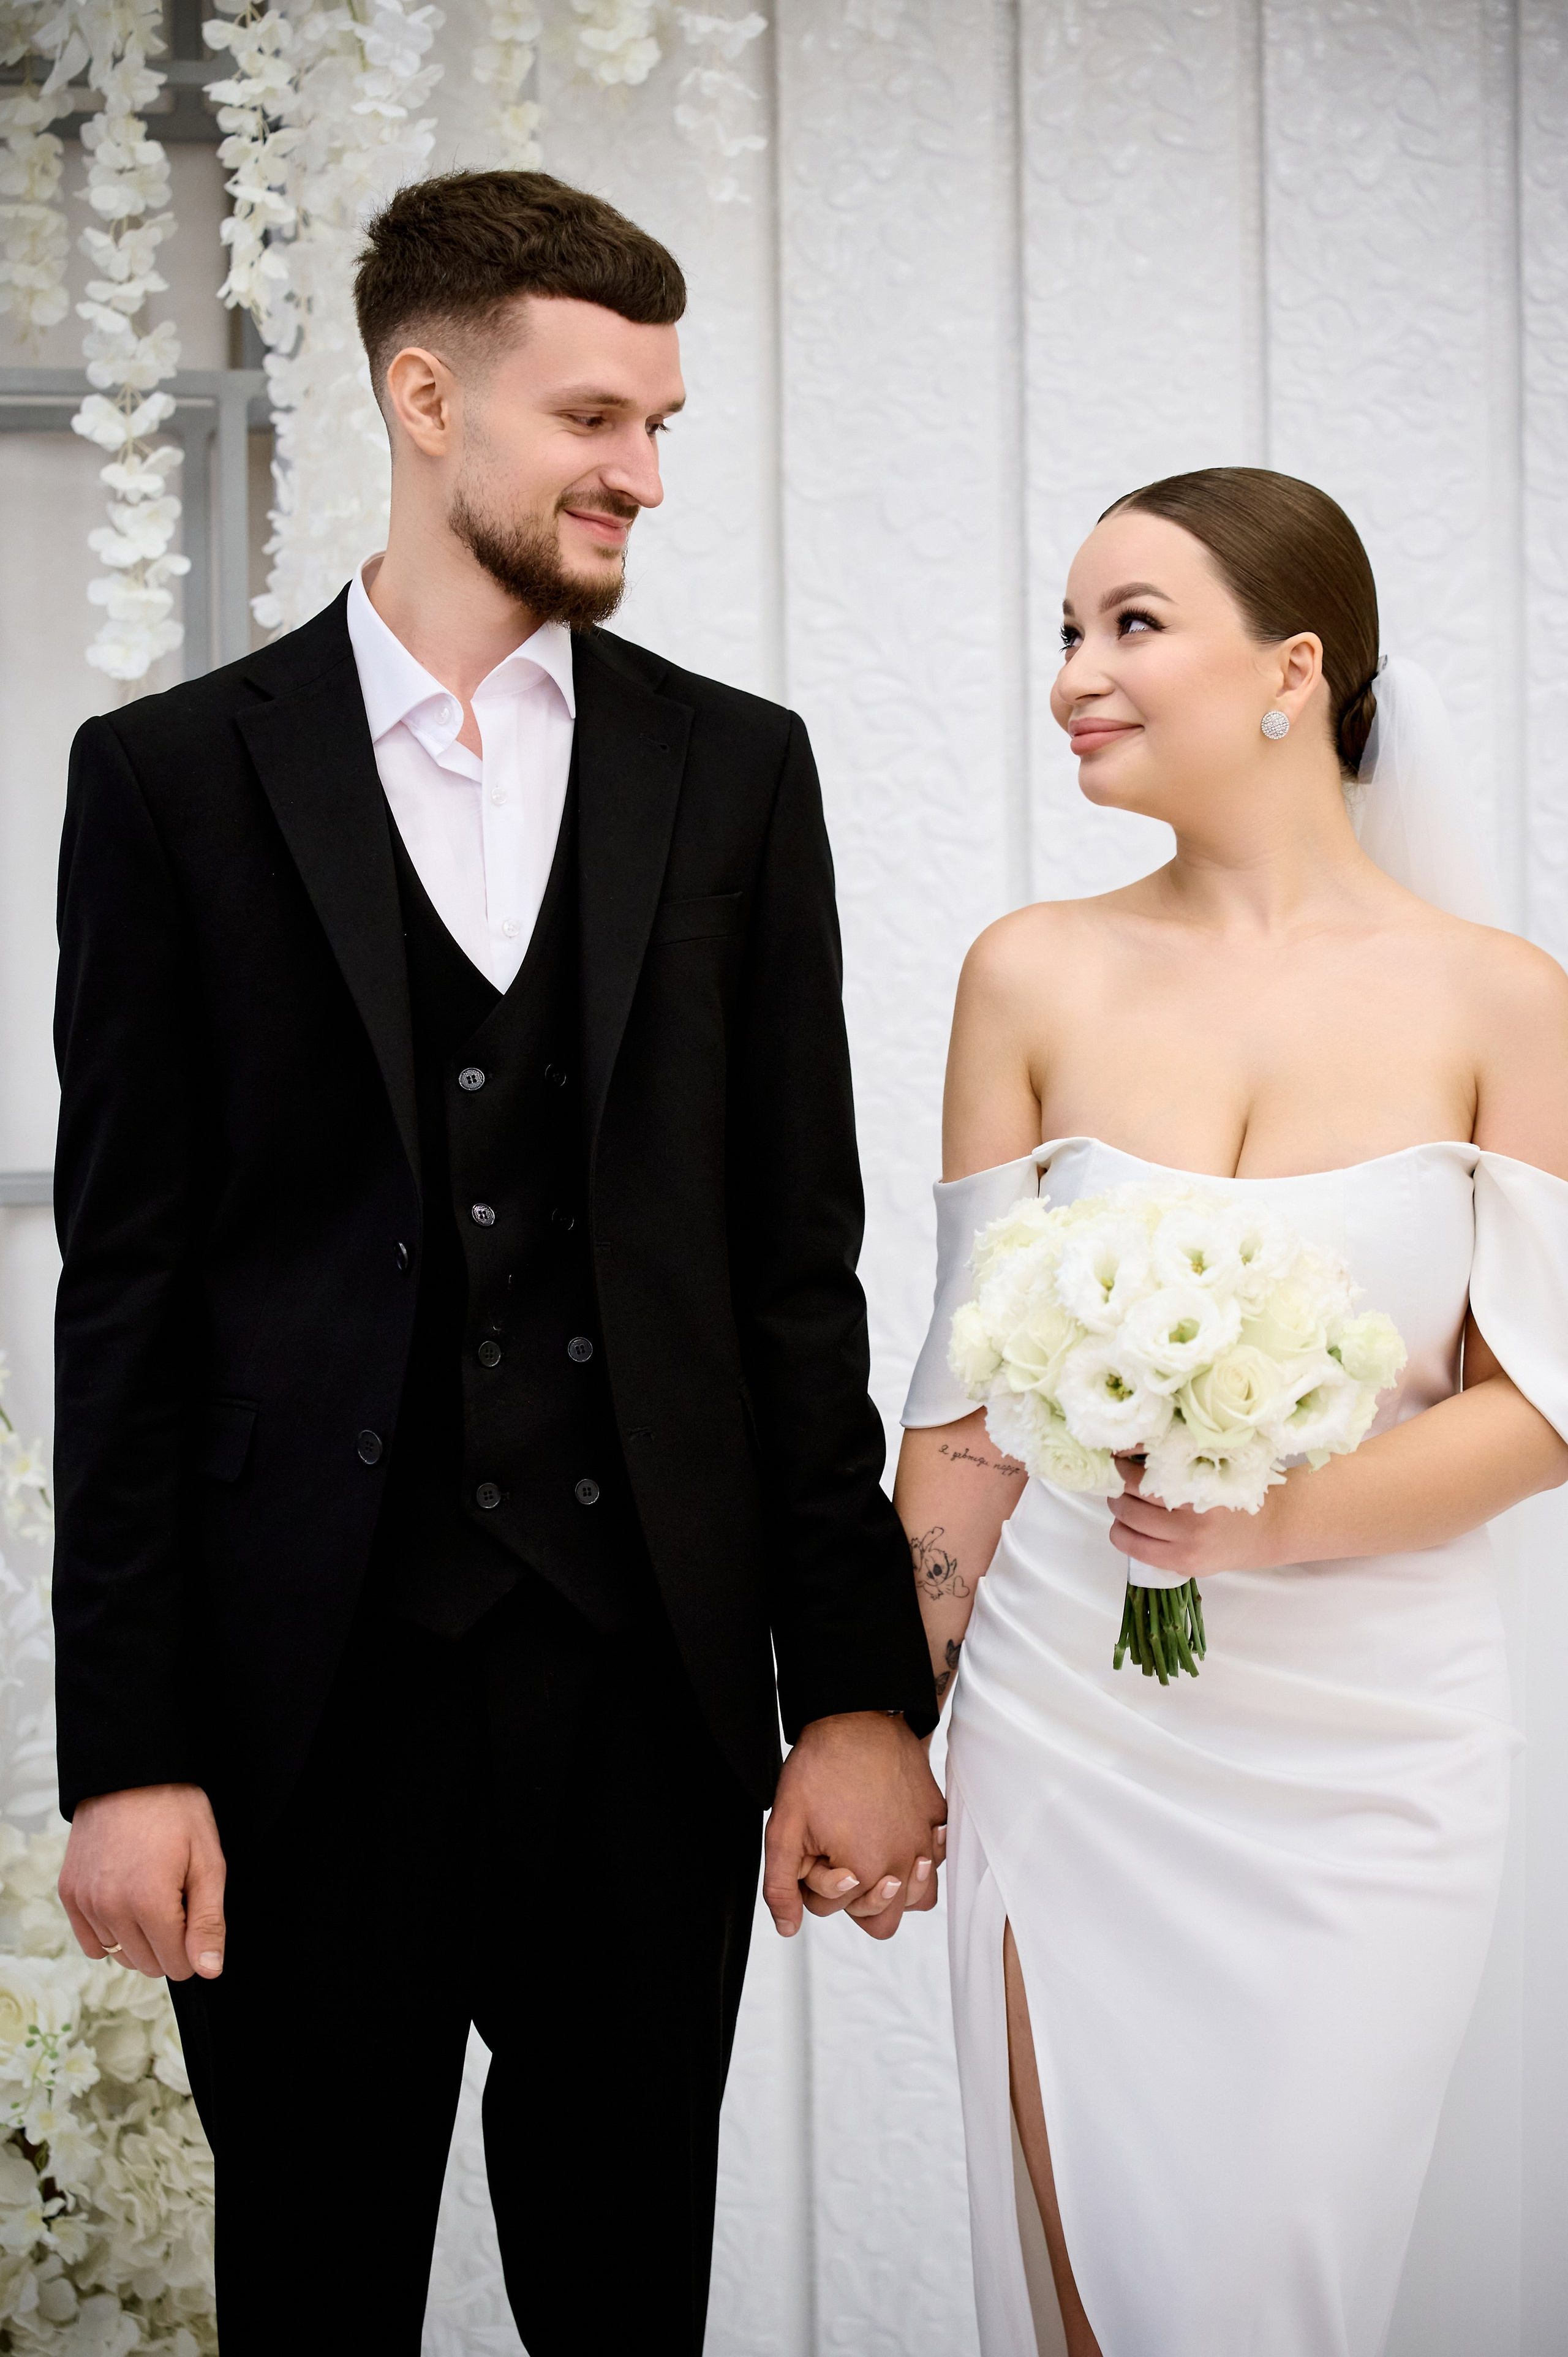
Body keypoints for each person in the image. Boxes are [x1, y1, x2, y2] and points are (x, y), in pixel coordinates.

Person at [50, 169, 943, 2355]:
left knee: (630, 2296)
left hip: (644, 1699)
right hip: (297, 1715)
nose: (641, 470)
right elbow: (128, 1294)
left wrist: (850, 1693)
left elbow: (789, 1275)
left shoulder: (735, 777)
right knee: (316, 2298)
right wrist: (126, 1751)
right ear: (426, 397)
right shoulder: (169, 782)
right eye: (593, 418)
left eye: (661, 423)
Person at [894, 468, 1568, 2356]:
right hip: (1071, 1730)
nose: (1075, 677)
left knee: (1277, 2295)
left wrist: (1272, 1520)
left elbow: (1546, 1407)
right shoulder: (1028, 971)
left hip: (1370, 1761)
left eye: (1130, 626)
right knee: (1096, 2297)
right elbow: (960, 1407)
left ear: (1294, 671)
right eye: (1065, 633)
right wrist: (884, 1719)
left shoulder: (1504, 1004)